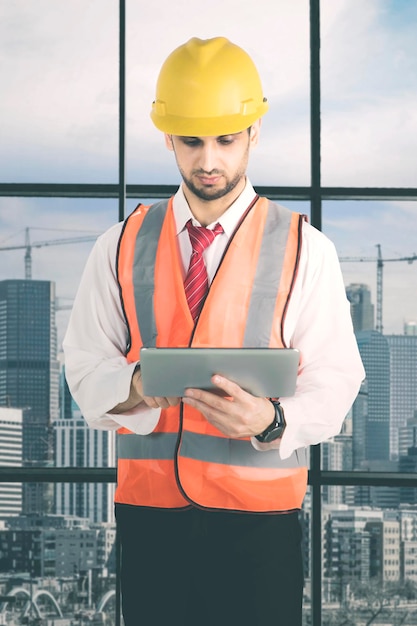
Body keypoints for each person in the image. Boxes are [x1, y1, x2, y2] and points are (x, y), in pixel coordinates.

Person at [63, 36, 365, 626]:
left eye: (225, 140)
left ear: (253, 133)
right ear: (168, 138)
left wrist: (271, 421)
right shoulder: (120, 245)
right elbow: (82, 365)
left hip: (260, 528)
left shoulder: (305, 249)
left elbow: (336, 379)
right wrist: (136, 383)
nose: (208, 160)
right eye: (191, 141)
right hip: (151, 524)